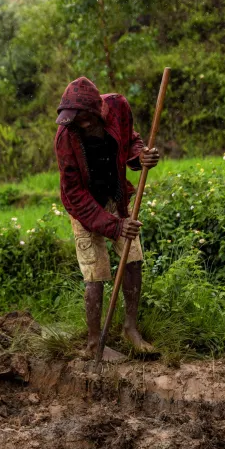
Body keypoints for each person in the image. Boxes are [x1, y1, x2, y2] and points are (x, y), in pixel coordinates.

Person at [53, 77, 160, 362]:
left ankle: (130, 329)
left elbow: (130, 140)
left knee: (133, 258)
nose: (79, 125)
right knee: (95, 272)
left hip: (115, 195)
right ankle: (93, 343)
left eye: (83, 119)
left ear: (94, 112)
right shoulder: (66, 136)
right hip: (84, 206)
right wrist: (114, 226)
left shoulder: (118, 107)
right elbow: (74, 194)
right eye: (74, 120)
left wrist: (140, 157)